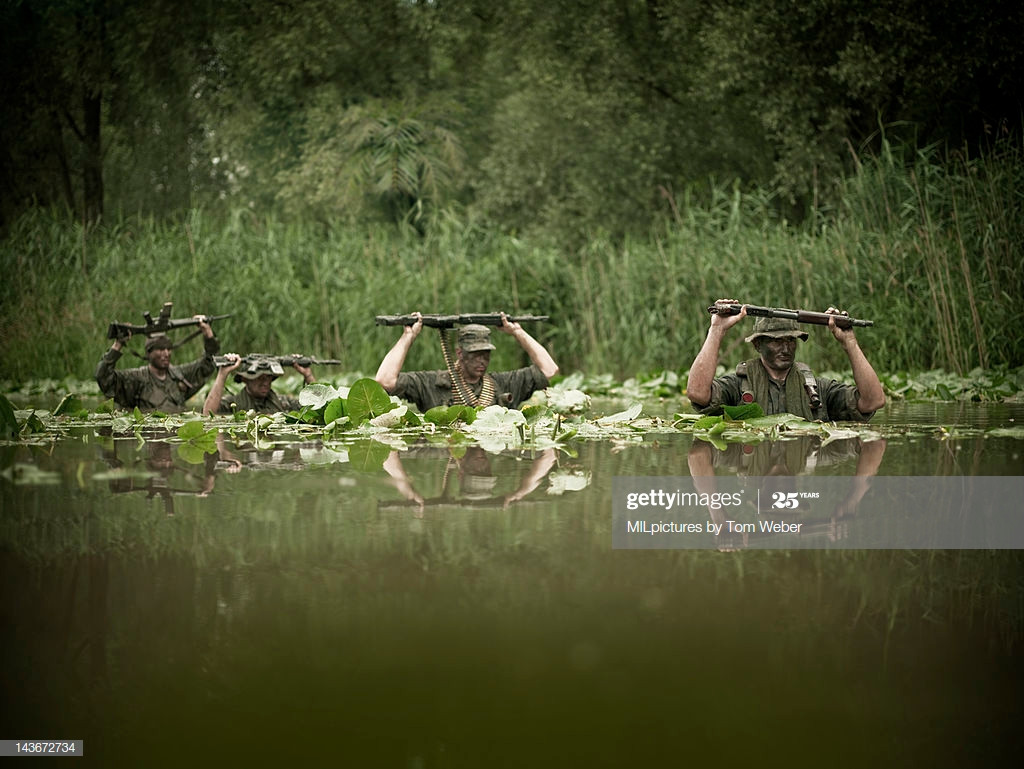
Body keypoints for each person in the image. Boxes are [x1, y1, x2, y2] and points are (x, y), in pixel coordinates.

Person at [686, 299, 886, 421]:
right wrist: (717, 330)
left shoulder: (817, 389)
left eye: (791, 340)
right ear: (758, 345)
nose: (785, 348)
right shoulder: (738, 385)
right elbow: (697, 393)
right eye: (776, 341)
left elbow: (873, 401)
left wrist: (849, 342)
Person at [375, 312, 559, 411]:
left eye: (485, 354)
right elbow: (385, 380)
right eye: (475, 354)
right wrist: (408, 336)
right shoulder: (431, 384)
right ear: (460, 353)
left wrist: (517, 332)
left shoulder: (503, 383)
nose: (482, 360)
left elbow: (550, 370)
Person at [96, 316, 220, 412]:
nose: (166, 353)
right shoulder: (136, 379)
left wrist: (208, 333)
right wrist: (118, 345)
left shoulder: (180, 376)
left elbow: (208, 364)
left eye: (168, 349)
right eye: (160, 349)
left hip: (176, 435)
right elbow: (104, 378)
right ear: (149, 353)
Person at [202, 353, 316, 415]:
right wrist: (222, 375)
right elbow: (208, 413)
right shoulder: (233, 404)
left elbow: (317, 407)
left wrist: (308, 375)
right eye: (259, 378)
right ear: (245, 379)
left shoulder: (282, 403)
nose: (265, 382)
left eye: (268, 377)